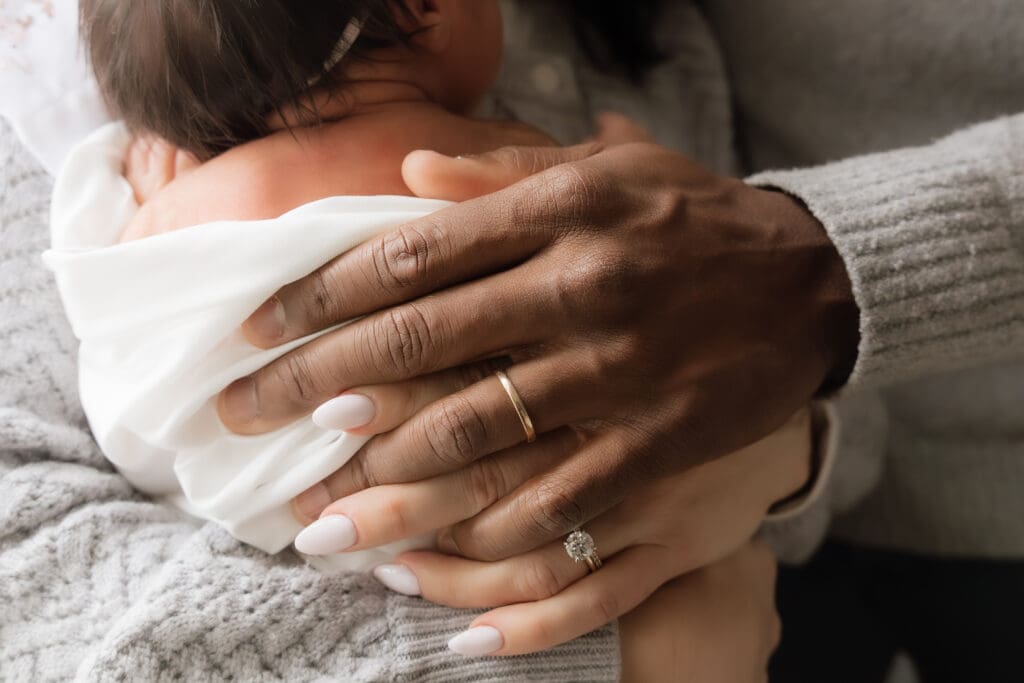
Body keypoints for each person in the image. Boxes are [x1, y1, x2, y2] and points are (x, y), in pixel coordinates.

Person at [214, 0, 1024, 678]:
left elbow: (809, 388)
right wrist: (612, 657)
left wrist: (796, 437)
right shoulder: (202, 66)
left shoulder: (659, 56)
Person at [45, 0, 797, 675]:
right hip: (536, 540)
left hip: (289, 540)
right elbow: (639, 253)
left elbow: (126, 405)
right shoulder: (495, 157)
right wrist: (628, 147)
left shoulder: (162, 212)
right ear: (435, 13)